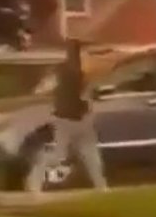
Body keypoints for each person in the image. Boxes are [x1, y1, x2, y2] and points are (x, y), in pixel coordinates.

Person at [26, 39, 107, 194]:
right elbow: (81, 94)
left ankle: (101, 187)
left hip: (79, 119)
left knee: (91, 156)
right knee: (60, 155)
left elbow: (84, 94)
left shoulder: (72, 71)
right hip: (66, 120)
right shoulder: (69, 73)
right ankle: (35, 180)